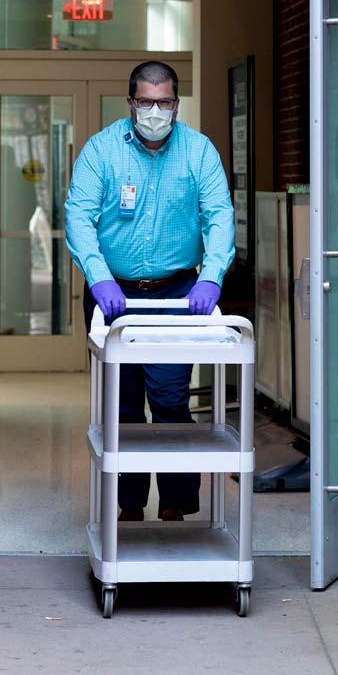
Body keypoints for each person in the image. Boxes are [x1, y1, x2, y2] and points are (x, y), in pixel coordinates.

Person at [65, 60, 235, 521]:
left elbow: (219, 215)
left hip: (178, 291)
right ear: (131, 103)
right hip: (111, 293)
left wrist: (211, 275)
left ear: (176, 104)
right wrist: (97, 275)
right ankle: (127, 505)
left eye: (163, 102)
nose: (154, 111)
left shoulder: (198, 152)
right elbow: (78, 215)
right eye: (146, 101)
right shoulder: (101, 152)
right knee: (120, 403)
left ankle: (177, 502)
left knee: (169, 398)